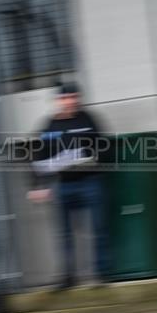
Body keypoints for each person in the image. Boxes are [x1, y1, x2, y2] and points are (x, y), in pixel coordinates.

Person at [27, 81, 111, 289]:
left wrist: (95, 159)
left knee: (98, 228)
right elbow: (38, 157)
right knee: (64, 233)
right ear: (58, 101)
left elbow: (106, 147)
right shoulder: (49, 126)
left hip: (90, 181)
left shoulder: (89, 119)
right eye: (66, 98)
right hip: (63, 185)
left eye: (74, 97)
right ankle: (68, 276)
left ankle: (101, 274)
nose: (71, 101)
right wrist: (38, 186)